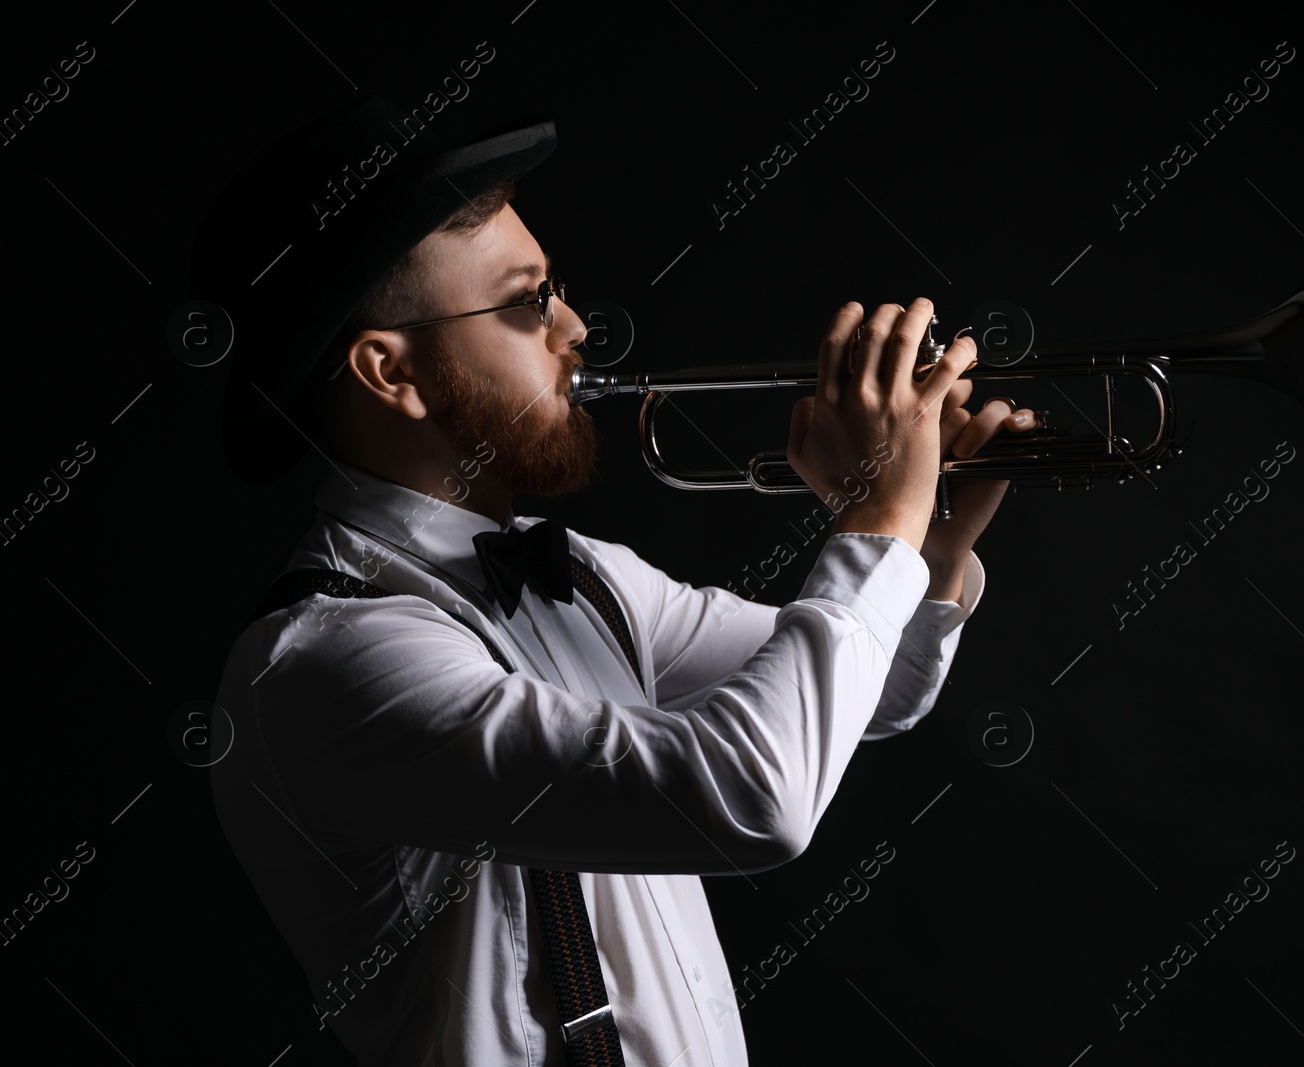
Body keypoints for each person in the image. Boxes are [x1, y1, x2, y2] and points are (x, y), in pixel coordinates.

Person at [200, 95, 1036, 1066]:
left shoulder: (587, 575)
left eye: (556, 289)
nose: (574, 327)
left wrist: (928, 550)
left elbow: (870, 694)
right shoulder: (325, 664)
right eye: (524, 303)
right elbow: (755, 796)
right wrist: (879, 517)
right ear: (392, 372)